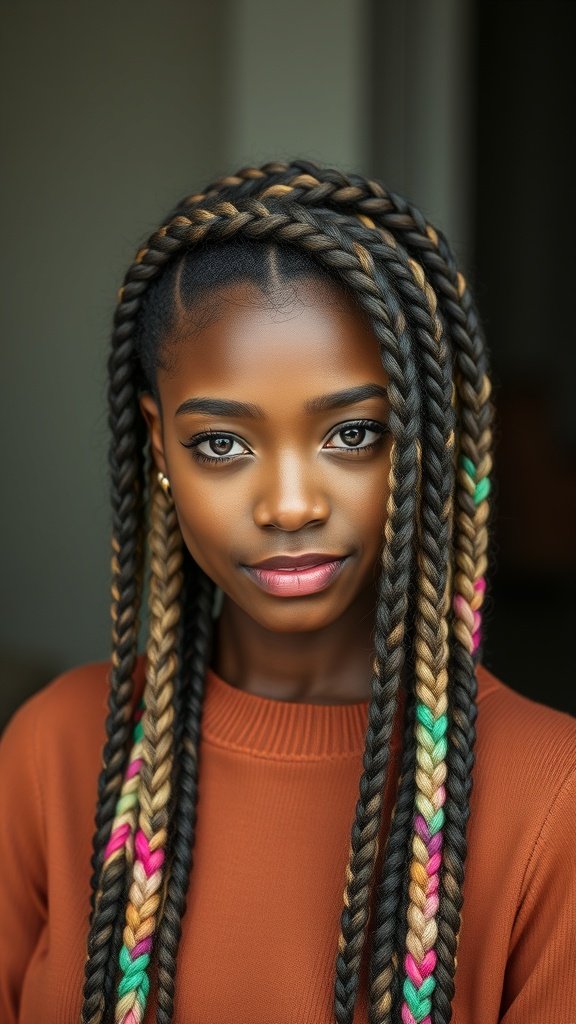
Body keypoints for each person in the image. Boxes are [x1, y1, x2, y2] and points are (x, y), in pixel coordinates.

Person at [0, 159, 574, 1024]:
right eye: (223, 445)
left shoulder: (550, 794)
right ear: (159, 446)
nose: (292, 505)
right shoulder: (55, 749)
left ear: (422, 441)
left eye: (353, 433)